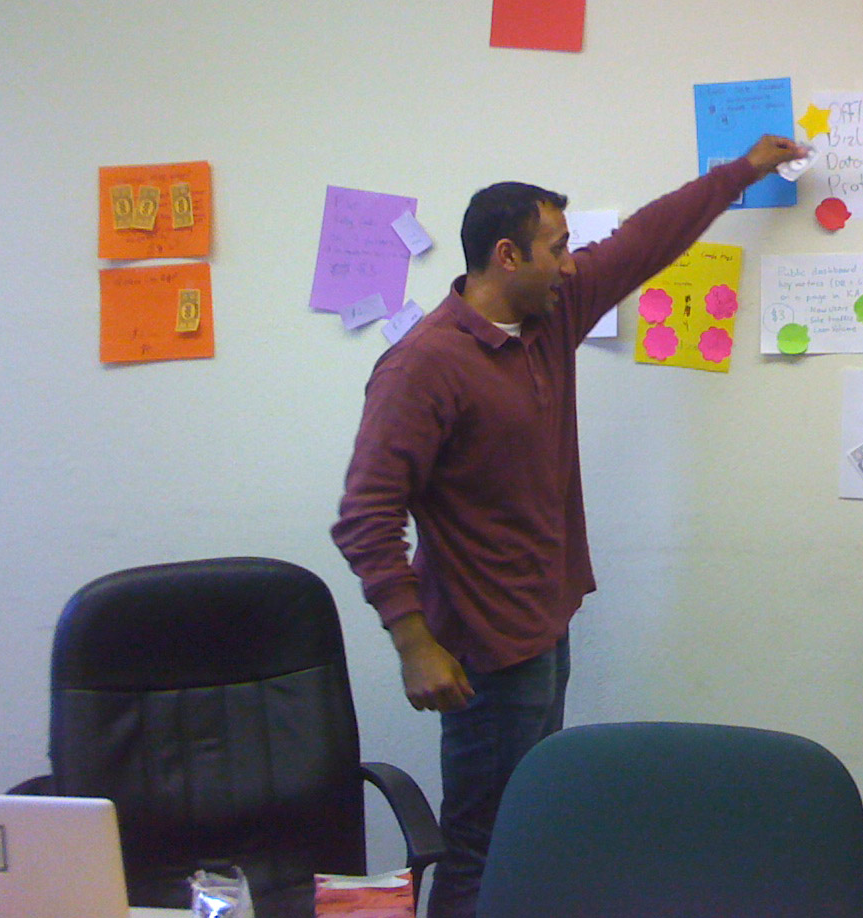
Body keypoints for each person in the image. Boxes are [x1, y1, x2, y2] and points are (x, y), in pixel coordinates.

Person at [332, 135, 805, 918]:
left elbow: (647, 239)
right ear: (507, 256)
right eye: (557, 247)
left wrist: (744, 172)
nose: (572, 262)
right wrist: (414, 643)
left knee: (530, 834)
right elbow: (366, 514)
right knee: (484, 847)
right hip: (484, 652)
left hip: (545, 630)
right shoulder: (425, 366)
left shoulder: (549, 317)